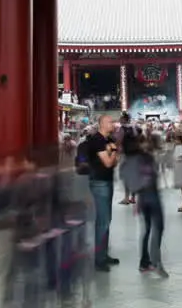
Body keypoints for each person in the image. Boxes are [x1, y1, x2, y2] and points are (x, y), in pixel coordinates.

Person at [120, 133, 167, 276]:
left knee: (146, 229)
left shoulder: (125, 162)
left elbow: (127, 182)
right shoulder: (145, 157)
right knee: (158, 227)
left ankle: (144, 262)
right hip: (151, 194)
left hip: (141, 197)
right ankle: (155, 261)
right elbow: (153, 174)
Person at [84, 114, 121, 271]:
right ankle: (99, 260)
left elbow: (115, 161)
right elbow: (108, 162)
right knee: (102, 222)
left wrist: (113, 152)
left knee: (106, 220)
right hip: (99, 183)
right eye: (110, 122)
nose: (113, 124)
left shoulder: (109, 140)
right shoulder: (97, 140)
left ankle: (103, 254)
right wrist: (113, 153)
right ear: (102, 124)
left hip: (107, 182)